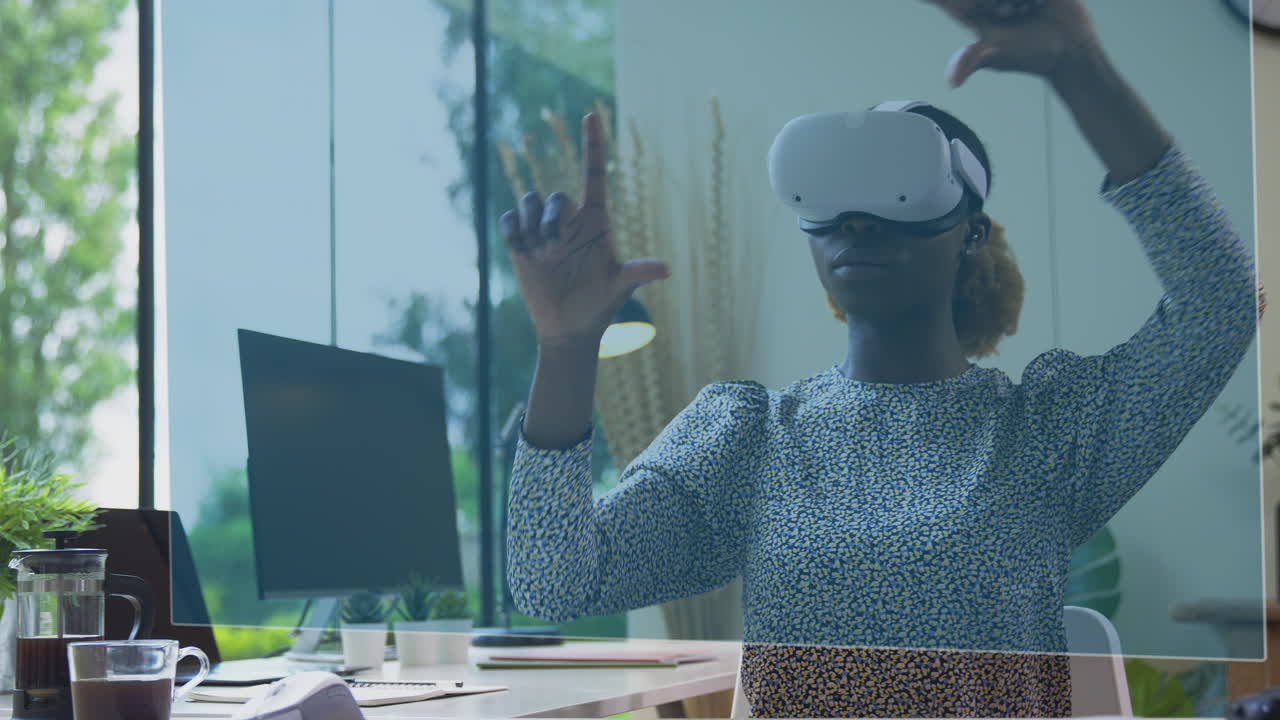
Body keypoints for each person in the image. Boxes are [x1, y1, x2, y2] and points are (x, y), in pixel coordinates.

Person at [497, 0, 1257, 716]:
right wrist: (566, 347)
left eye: (898, 193)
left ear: (970, 232)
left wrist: (1079, 67)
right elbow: (553, 580)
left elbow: (1221, 302)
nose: (858, 222)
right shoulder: (750, 439)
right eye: (833, 200)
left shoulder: (1049, 432)